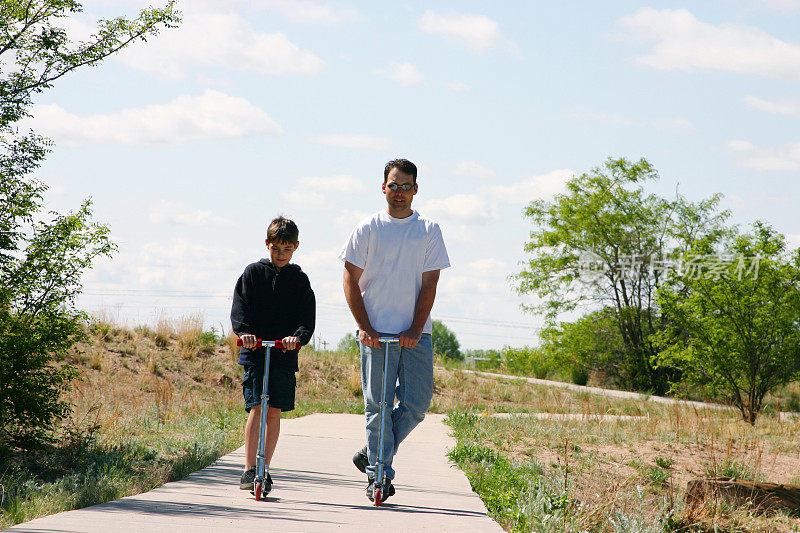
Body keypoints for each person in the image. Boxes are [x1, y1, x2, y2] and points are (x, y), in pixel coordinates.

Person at [338, 158, 450, 502]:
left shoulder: (429, 230)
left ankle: (374, 453)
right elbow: (350, 279)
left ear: (415, 190)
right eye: (393, 185)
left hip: (416, 335)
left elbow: (430, 283)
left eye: (406, 186)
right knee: (379, 406)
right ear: (383, 187)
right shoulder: (367, 228)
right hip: (377, 334)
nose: (399, 192)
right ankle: (378, 476)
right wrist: (365, 327)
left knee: (417, 404)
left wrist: (416, 328)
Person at [231, 216, 315, 496]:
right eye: (276, 248)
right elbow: (240, 308)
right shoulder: (253, 273)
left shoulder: (299, 279)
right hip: (256, 352)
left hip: (283, 353)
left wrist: (298, 337)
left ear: (296, 247)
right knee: (257, 407)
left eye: (287, 249)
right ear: (267, 244)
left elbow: (306, 317)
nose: (281, 254)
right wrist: (245, 333)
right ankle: (249, 468)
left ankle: (265, 468)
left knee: (274, 409)